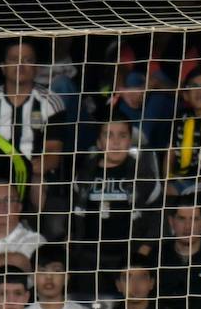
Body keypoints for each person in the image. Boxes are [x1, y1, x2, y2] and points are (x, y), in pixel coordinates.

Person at [68, 113, 163, 295]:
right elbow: (74, 212)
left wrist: (144, 249)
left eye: (122, 135)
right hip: (89, 257)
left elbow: (158, 215)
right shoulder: (85, 172)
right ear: (99, 142)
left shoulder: (142, 174)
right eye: (108, 135)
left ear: (130, 141)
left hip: (126, 258)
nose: (116, 141)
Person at [0, 40, 70, 178]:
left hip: (34, 177)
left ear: (36, 67)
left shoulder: (51, 103)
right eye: (14, 59)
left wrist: (24, 172)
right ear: (3, 67)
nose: (20, 65)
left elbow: (52, 156)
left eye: (27, 60)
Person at [23, 244, 93, 309]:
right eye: (42, 270)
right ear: (32, 277)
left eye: (56, 270)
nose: (49, 277)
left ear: (66, 277)